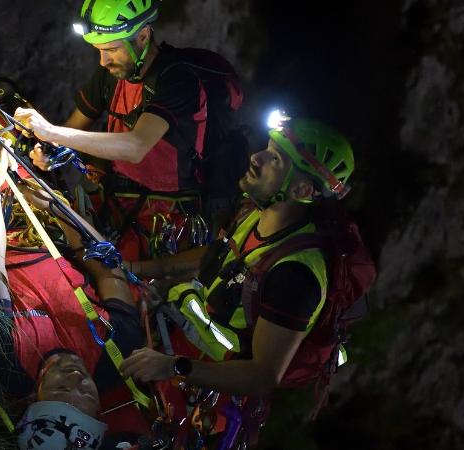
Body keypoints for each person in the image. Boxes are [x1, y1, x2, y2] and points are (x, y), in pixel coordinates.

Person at [119, 115, 359, 399]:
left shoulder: (295, 275)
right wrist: (136, 270)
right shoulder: (257, 215)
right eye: (266, 149)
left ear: (302, 190)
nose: (256, 157)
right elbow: (216, 257)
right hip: (169, 344)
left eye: (275, 159)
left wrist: (174, 367)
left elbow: (262, 376)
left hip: (201, 390)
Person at [14, 0, 245, 259]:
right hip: (116, 205)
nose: (103, 61)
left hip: (168, 221)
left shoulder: (177, 80)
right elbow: (72, 131)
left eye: (112, 49)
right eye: (98, 50)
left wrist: (51, 132)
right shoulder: (112, 75)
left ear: (143, 36)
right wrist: (50, 151)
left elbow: (136, 146)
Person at [0, 142, 148, 449]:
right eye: (87, 394)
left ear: (34, 396)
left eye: (62, 390)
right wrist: (57, 207)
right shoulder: (115, 349)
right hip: (49, 229)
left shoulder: (6, 359)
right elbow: (109, 270)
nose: (77, 380)